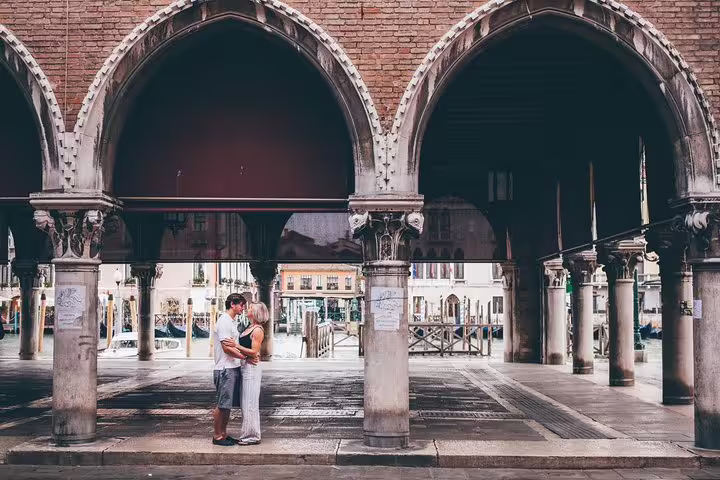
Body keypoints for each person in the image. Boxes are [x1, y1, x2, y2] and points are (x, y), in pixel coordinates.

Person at [212, 293, 256, 446]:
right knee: (222, 404)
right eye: (242, 305)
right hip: (225, 368)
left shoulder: (231, 321)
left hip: (232, 367)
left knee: (227, 404)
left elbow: (232, 345)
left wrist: (240, 355)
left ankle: (223, 433)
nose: (243, 308)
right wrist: (245, 357)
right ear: (233, 304)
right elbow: (226, 348)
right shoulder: (224, 321)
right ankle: (217, 436)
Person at [222, 301, 268, 445]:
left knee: (250, 403)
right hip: (245, 367)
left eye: (250, 308)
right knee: (245, 403)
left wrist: (236, 345)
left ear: (256, 312)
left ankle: (252, 436)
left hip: (251, 370)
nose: (247, 309)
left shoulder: (258, 330)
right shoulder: (250, 327)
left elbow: (254, 352)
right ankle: (248, 434)